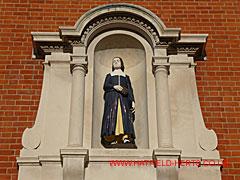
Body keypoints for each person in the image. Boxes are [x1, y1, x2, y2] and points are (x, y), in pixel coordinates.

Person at [101, 57, 136, 147]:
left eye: (117, 61)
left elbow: (130, 89)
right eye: (114, 61)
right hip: (112, 98)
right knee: (113, 116)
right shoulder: (109, 75)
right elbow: (105, 86)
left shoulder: (125, 76)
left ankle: (125, 137)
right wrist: (114, 86)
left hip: (124, 99)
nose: (116, 62)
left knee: (124, 116)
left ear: (121, 63)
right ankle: (113, 138)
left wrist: (132, 101)